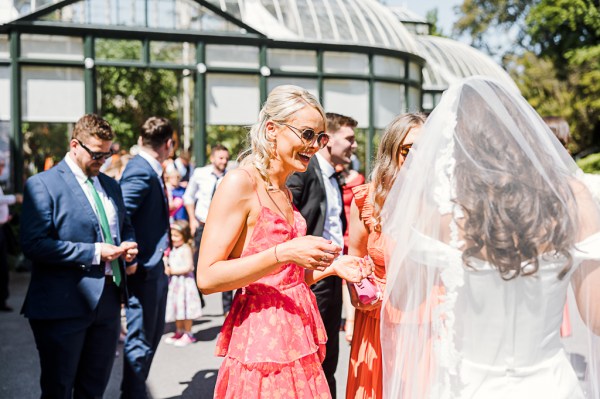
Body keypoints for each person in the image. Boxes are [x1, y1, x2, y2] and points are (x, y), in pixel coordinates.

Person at [380, 76, 600, 398]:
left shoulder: (442, 212)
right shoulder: (573, 198)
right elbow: (595, 317)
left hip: (468, 385)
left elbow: (401, 297)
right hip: (550, 384)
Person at [196, 85, 371, 398]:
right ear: (272, 129)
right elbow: (207, 277)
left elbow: (284, 278)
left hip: (297, 333)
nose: (314, 146)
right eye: (306, 134)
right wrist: (283, 251)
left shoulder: (285, 192)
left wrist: (334, 267)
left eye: (320, 137)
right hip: (261, 345)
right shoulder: (240, 182)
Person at [20, 114, 138, 398]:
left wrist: (129, 246)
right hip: (63, 305)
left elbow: (124, 226)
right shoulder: (43, 185)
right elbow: (34, 244)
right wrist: (96, 252)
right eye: (96, 154)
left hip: (109, 302)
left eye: (107, 154)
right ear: (75, 145)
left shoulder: (110, 184)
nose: (102, 160)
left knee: (94, 387)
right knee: (58, 388)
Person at [346, 113, 425, 399]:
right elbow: (354, 259)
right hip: (378, 324)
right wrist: (360, 293)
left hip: (427, 326)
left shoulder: (441, 199)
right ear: (391, 151)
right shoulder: (367, 200)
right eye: (407, 150)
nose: (417, 158)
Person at [288, 112, 358, 398]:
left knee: (328, 353)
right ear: (327, 140)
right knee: (311, 354)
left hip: (331, 275)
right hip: (309, 276)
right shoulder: (303, 171)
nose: (354, 145)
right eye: (350, 139)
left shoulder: (332, 175)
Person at [119, 116, 173, 399]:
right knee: (141, 340)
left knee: (150, 336)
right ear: (168, 145)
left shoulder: (148, 168)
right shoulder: (140, 170)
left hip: (155, 266)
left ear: (141, 140)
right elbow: (121, 213)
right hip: (144, 269)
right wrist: (131, 259)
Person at [183, 144, 231, 314]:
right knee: (197, 264)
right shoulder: (200, 174)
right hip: (202, 225)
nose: (224, 161)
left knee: (227, 265)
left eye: (226, 158)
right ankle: (199, 299)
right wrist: (191, 219)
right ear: (212, 158)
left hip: (224, 228)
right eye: (220, 158)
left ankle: (227, 308)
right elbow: (188, 197)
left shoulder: (232, 177)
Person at [164, 220, 202, 346]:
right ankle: (179, 331)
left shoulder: (185, 249)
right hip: (175, 285)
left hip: (184, 284)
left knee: (186, 309)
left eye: (176, 236)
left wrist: (173, 271)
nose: (173, 239)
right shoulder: (173, 249)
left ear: (184, 236)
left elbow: (189, 267)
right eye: (172, 236)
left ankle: (188, 333)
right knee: (177, 309)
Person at [0, 157, 22, 312]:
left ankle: (2, 300)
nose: (2, 168)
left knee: (3, 266)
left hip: (3, 226)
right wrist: (15, 198)